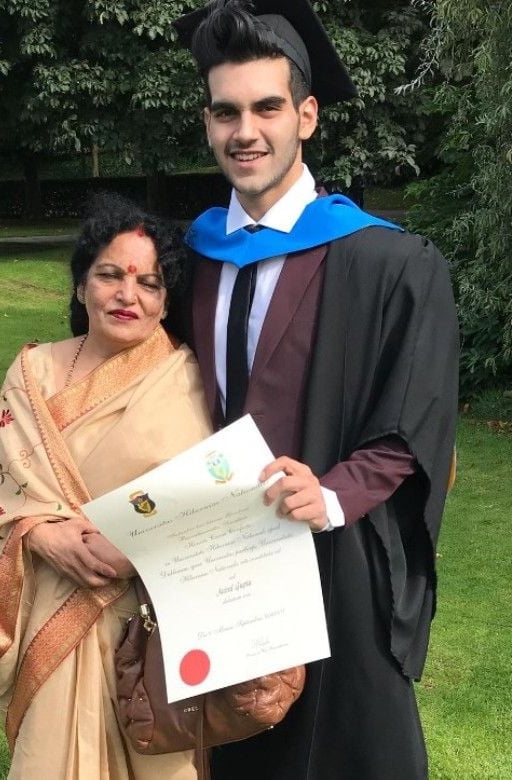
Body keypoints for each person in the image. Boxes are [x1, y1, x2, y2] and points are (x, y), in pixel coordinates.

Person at [171, 2, 459, 778]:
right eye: (226, 111)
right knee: (234, 751)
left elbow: (417, 416)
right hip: (216, 559)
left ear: (307, 114)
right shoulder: (188, 257)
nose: (246, 132)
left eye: (267, 107)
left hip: (337, 561)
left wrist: (330, 494)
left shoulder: (388, 262)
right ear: (207, 121)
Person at [0, 193, 212, 779]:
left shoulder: (189, 380)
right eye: (110, 275)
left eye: (150, 283)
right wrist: (38, 534)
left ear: (167, 298)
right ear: (80, 286)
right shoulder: (32, 372)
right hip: (49, 609)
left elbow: (207, 505)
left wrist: (131, 549)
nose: (129, 296)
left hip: (145, 625)